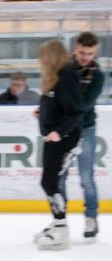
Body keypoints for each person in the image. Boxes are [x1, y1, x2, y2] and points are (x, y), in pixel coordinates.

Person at [33, 39, 84, 250]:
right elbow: (57, 106)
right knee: (48, 181)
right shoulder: (54, 79)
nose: (40, 61)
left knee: (49, 182)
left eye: (43, 57)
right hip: (53, 137)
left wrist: (58, 131)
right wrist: (43, 115)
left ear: (52, 57)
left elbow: (76, 112)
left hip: (64, 139)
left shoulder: (66, 78)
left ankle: (61, 228)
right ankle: (57, 222)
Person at [57, 32, 105, 241]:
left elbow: (85, 105)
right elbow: (54, 93)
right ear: (76, 48)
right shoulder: (64, 70)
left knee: (86, 177)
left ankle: (91, 218)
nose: (86, 57)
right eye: (83, 52)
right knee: (59, 177)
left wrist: (65, 113)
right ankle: (60, 220)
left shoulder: (98, 76)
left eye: (91, 53)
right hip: (64, 130)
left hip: (85, 129)